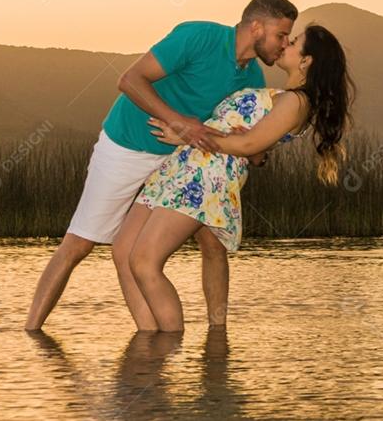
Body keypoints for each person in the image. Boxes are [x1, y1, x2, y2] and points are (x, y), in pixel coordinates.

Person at [24, 0, 298, 330]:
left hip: (181, 159)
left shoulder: (252, 79)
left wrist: (256, 154)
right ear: (257, 27)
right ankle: (31, 332)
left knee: (212, 240)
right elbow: (129, 80)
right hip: (127, 144)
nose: (284, 44)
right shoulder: (198, 37)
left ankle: (212, 335)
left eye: (288, 38)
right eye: (281, 35)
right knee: (79, 244)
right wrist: (180, 122)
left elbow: (249, 144)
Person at [120, 24, 355, 332]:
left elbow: (248, 145)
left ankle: (166, 348)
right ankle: (209, 342)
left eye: (294, 42)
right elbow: (252, 147)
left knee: (143, 261)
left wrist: (187, 138)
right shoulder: (284, 97)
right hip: (187, 167)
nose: (285, 43)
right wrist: (246, 149)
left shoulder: (297, 102)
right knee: (140, 251)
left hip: (205, 175)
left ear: (307, 60)